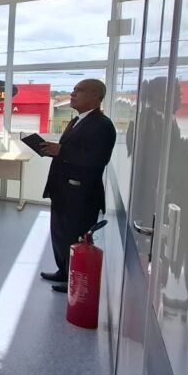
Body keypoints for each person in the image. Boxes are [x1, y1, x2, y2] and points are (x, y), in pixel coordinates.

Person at [38, 79, 117, 293]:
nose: (72, 94)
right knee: (60, 233)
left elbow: (97, 159)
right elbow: (69, 150)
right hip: (63, 190)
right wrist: (53, 150)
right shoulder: (76, 121)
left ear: (94, 96)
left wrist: (61, 151)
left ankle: (75, 277)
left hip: (81, 195)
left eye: (78, 91)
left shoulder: (102, 125)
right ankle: (64, 271)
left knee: (75, 235)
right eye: (72, 90)